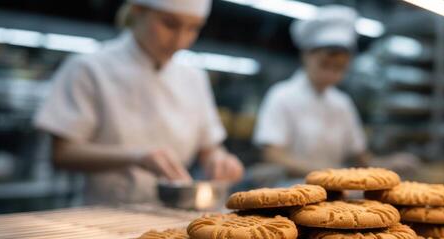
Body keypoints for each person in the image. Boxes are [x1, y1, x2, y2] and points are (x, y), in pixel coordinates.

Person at [34, 0, 244, 204]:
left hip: (174, 213)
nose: (180, 41)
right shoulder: (89, 68)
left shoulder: (193, 77)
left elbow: (210, 147)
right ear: (138, 11)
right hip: (104, 213)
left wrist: (220, 160)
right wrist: (136, 157)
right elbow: (63, 153)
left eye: (193, 28)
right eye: (169, 24)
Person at [253, 5, 419, 180]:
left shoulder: (342, 103)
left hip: (335, 191)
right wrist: (327, 172)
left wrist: (388, 163)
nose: (331, 73)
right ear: (306, 56)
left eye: (339, 67)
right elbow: (272, 154)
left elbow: (361, 157)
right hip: (289, 191)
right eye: (325, 64)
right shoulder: (282, 96)